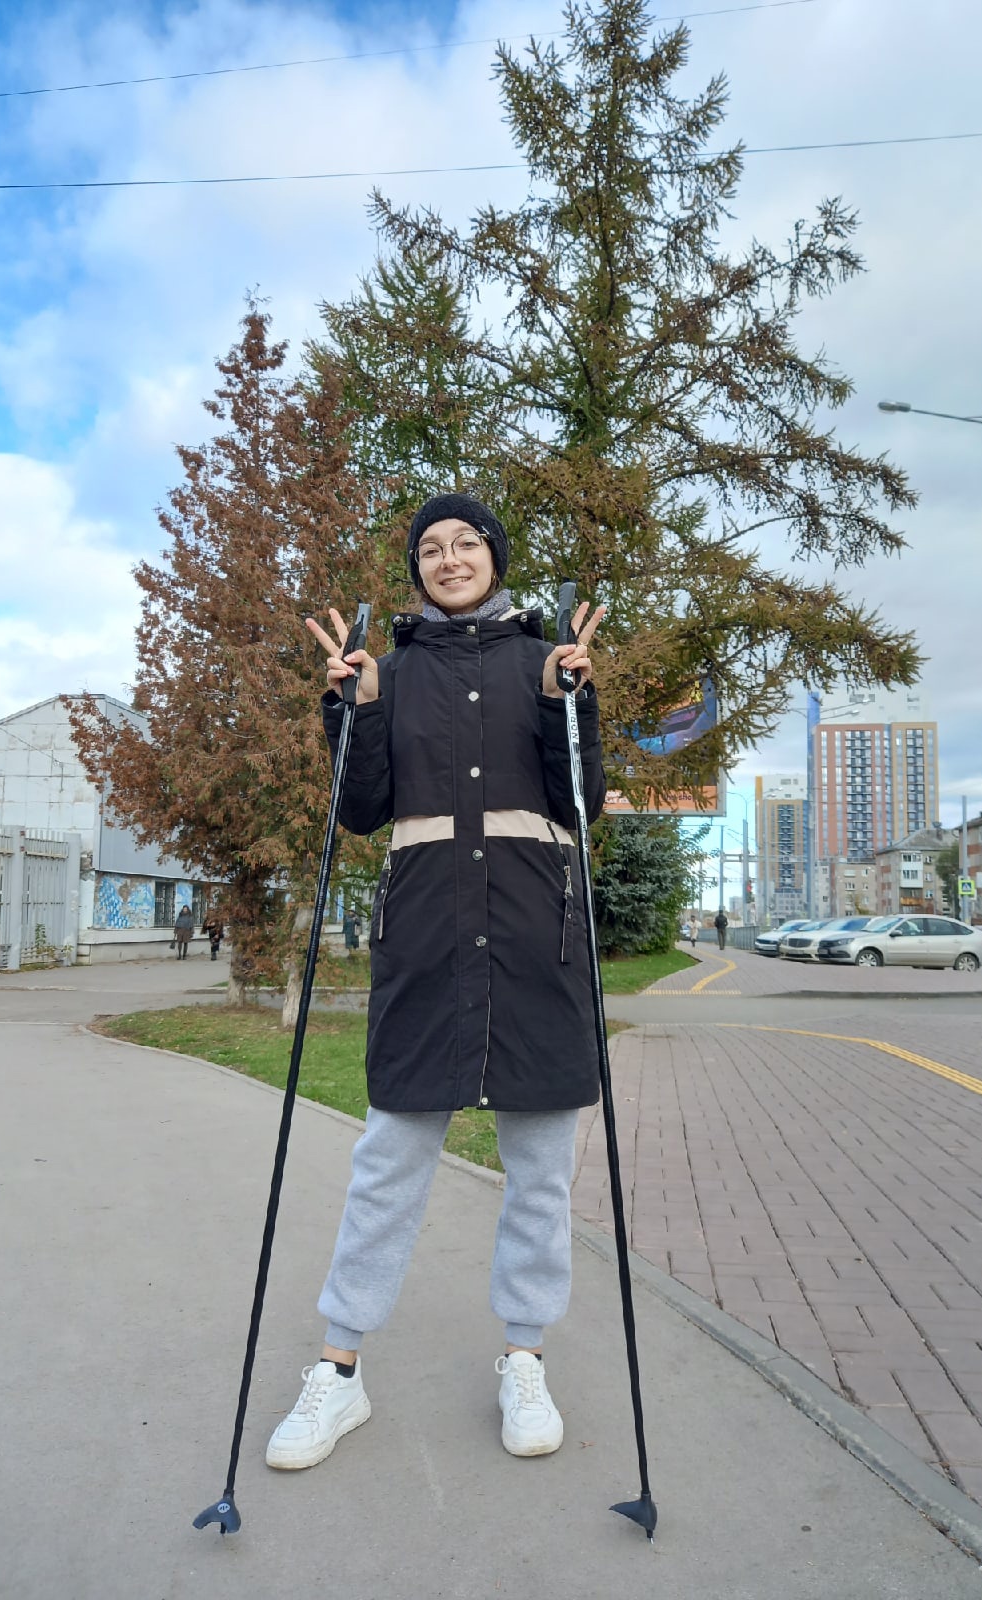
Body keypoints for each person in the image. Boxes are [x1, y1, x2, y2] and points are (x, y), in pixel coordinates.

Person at [266, 491, 606, 1474]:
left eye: (466, 543)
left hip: (535, 941)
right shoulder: (391, 670)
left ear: (495, 556)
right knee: (388, 1160)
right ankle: (339, 1369)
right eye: (430, 548)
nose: (449, 558)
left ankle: (524, 1359)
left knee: (541, 1170)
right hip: (424, 941)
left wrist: (572, 701)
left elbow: (578, 802)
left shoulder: (546, 660)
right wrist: (352, 708)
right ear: (416, 569)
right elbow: (364, 809)